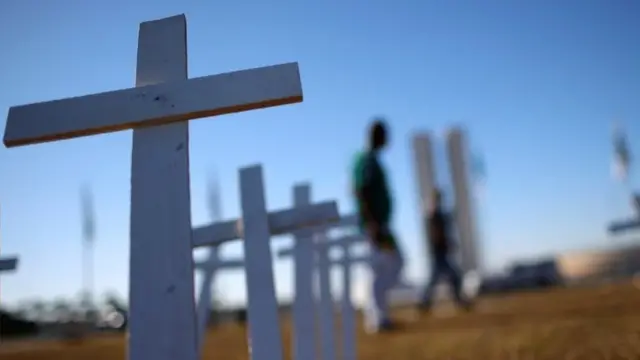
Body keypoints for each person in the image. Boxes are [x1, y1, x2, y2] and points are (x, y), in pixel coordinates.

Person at [351, 118, 404, 333]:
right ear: (377, 136)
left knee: (392, 264)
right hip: (373, 226)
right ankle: (377, 319)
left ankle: (377, 315)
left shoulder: (371, 160)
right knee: (379, 269)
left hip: (379, 224)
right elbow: (360, 191)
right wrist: (372, 223)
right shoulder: (366, 161)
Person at [417, 189, 472, 312]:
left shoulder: (437, 215)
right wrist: (446, 243)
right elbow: (436, 235)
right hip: (438, 253)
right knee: (451, 277)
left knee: (442, 279)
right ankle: (426, 302)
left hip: (440, 253)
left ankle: (425, 303)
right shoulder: (434, 216)